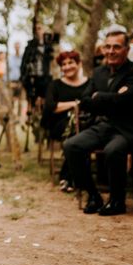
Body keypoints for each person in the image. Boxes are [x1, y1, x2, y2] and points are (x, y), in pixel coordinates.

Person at [63, 25, 133, 216]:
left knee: (113, 150)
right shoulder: (99, 72)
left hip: (129, 128)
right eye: (107, 47)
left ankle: (117, 201)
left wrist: (99, 97)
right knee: (72, 146)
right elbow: (85, 101)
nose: (111, 51)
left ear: (126, 50)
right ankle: (94, 196)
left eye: (116, 47)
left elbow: (128, 101)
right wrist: (111, 98)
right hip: (104, 125)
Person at [41, 50, 89, 192]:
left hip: (85, 123)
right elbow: (51, 107)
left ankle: (70, 176)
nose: (67, 67)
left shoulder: (89, 82)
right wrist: (75, 104)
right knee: (77, 133)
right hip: (59, 124)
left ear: (79, 64)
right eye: (64, 64)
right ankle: (68, 177)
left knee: (84, 132)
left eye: (71, 63)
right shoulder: (55, 85)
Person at [20, 23, 54, 113]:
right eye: (36, 29)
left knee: (44, 100)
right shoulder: (30, 45)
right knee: (32, 102)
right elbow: (24, 62)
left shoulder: (49, 45)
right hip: (32, 78)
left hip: (45, 78)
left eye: (40, 28)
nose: (38, 31)